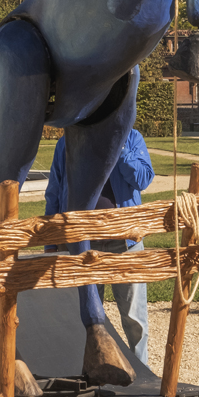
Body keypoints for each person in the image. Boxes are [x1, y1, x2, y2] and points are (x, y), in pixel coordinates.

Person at [45, 129, 154, 362]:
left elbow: (143, 179)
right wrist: (51, 241)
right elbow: (54, 190)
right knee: (82, 315)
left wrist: (119, 146)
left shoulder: (131, 138)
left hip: (125, 242)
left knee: (134, 317)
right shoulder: (67, 142)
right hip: (82, 242)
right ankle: (88, 369)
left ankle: (142, 371)